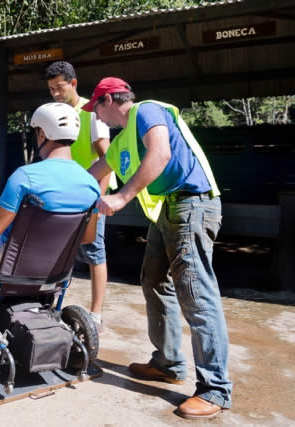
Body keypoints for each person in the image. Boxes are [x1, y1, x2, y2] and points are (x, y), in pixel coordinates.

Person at [84, 77, 232, 419]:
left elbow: (161, 152)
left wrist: (122, 196)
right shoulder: (123, 140)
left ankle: (216, 390)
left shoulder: (146, 110)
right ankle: (168, 363)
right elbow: (94, 172)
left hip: (192, 206)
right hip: (169, 209)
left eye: (97, 109)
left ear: (109, 100)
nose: (97, 118)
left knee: (197, 294)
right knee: (154, 281)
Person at [0, 102, 101, 277]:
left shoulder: (25, 176)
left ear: (42, 134)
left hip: (11, 258)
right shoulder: (91, 184)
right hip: (57, 262)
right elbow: (87, 237)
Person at [45, 61, 116, 333]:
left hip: (90, 198)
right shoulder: (54, 113)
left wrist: (99, 199)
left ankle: (96, 313)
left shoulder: (91, 114)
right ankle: (49, 303)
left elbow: (107, 158)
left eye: (59, 87)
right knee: (58, 251)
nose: (55, 94)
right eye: (51, 89)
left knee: (95, 252)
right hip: (64, 196)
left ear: (73, 83)